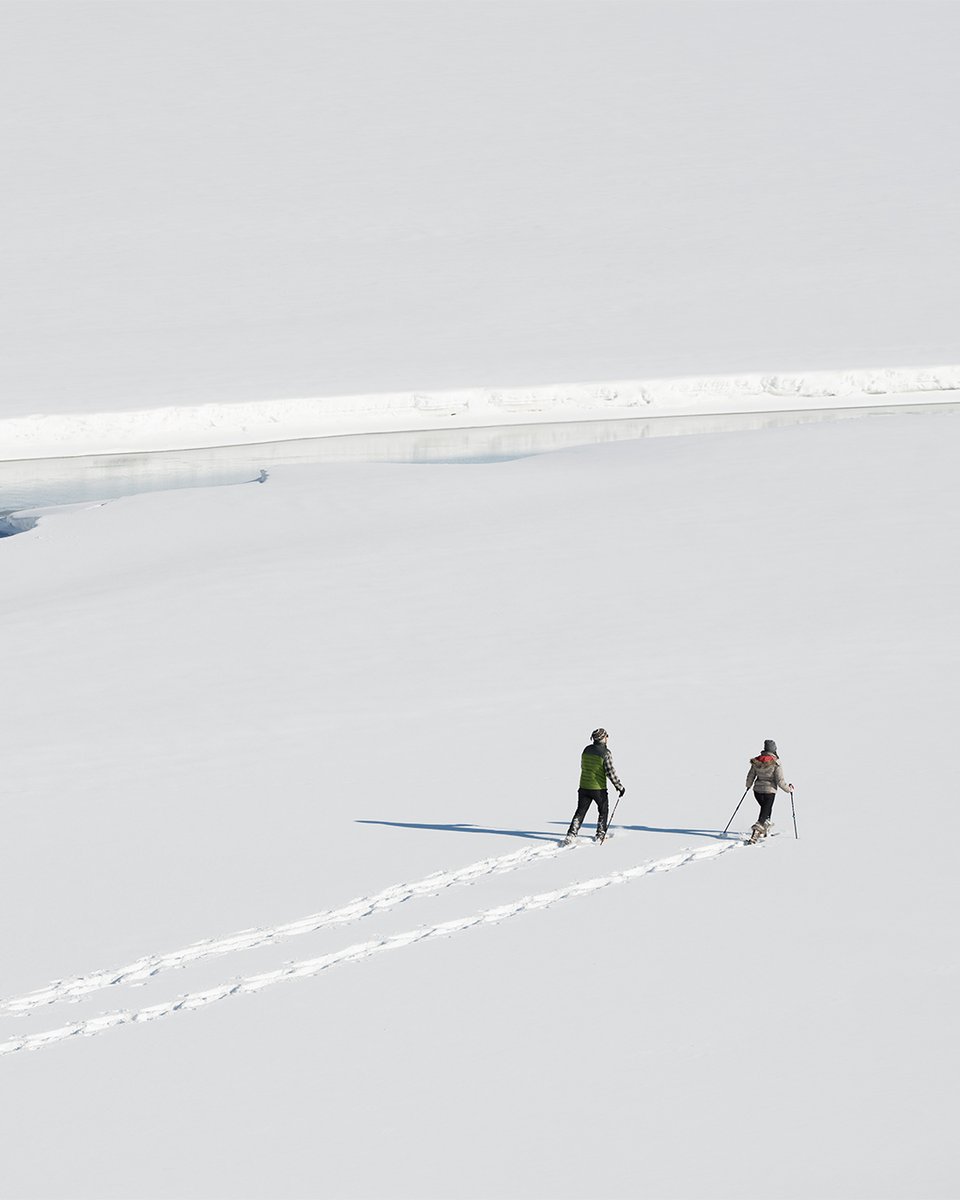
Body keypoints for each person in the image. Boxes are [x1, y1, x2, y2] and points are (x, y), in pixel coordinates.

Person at [564, 728, 625, 844]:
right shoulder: (606, 753)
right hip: (598, 789)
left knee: (580, 811)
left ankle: (571, 834)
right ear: (603, 738)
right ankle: (600, 834)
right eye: (607, 735)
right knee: (603, 811)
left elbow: (583, 766)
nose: (608, 738)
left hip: (583, 786)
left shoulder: (586, 750)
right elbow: (610, 772)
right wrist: (619, 786)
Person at [745, 739, 793, 843]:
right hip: (769, 792)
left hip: (757, 791)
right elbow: (780, 781)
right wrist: (789, 789)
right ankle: (756, 832)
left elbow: (751, 775)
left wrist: (748, 785)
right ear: (774, 750)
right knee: (765, 811)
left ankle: (765, 829)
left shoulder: (757, 760)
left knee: (766, 810)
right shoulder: (776, 763)